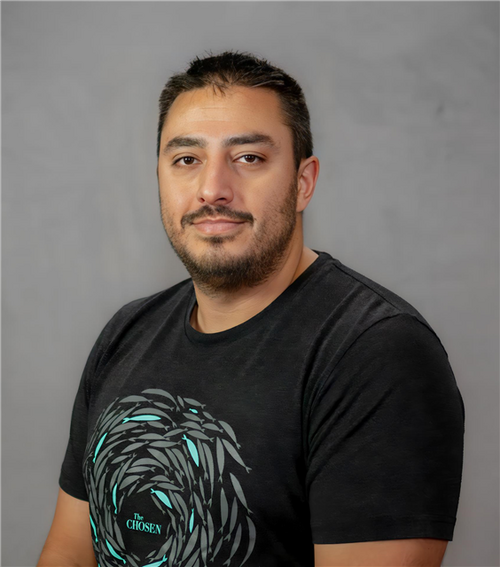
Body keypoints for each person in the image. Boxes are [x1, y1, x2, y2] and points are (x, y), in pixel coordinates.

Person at [38, 51, 465, 567]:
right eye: (187, 159)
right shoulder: (125, 334)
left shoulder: (377, 353)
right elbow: (67, 555)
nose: (212, 190)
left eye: (248, 158)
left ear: (303, 182)